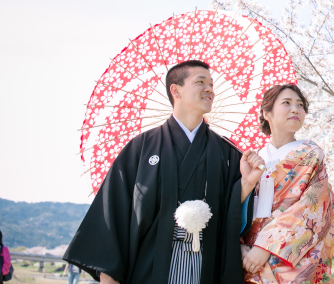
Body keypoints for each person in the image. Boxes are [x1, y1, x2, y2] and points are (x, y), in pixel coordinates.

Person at [63, 60, 265, 284]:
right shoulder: (141, 148)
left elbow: (231, 221)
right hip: (149, 268)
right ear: (175, 90)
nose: (210, 89)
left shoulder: (228, 153)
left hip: (206, 267)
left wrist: (246, 184)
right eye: (201, 82)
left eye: (211, 84)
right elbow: (115, 217)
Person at [240, 84, 334, 284]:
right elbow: (234, 205)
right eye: (286, 103)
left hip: (286, 257)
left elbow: (312, 207)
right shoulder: (250, 158)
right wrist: (238, 245)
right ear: (266, 112)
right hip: (246, 258)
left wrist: (265, 246)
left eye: (300, 105)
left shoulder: (311, 154)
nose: (295, 109)